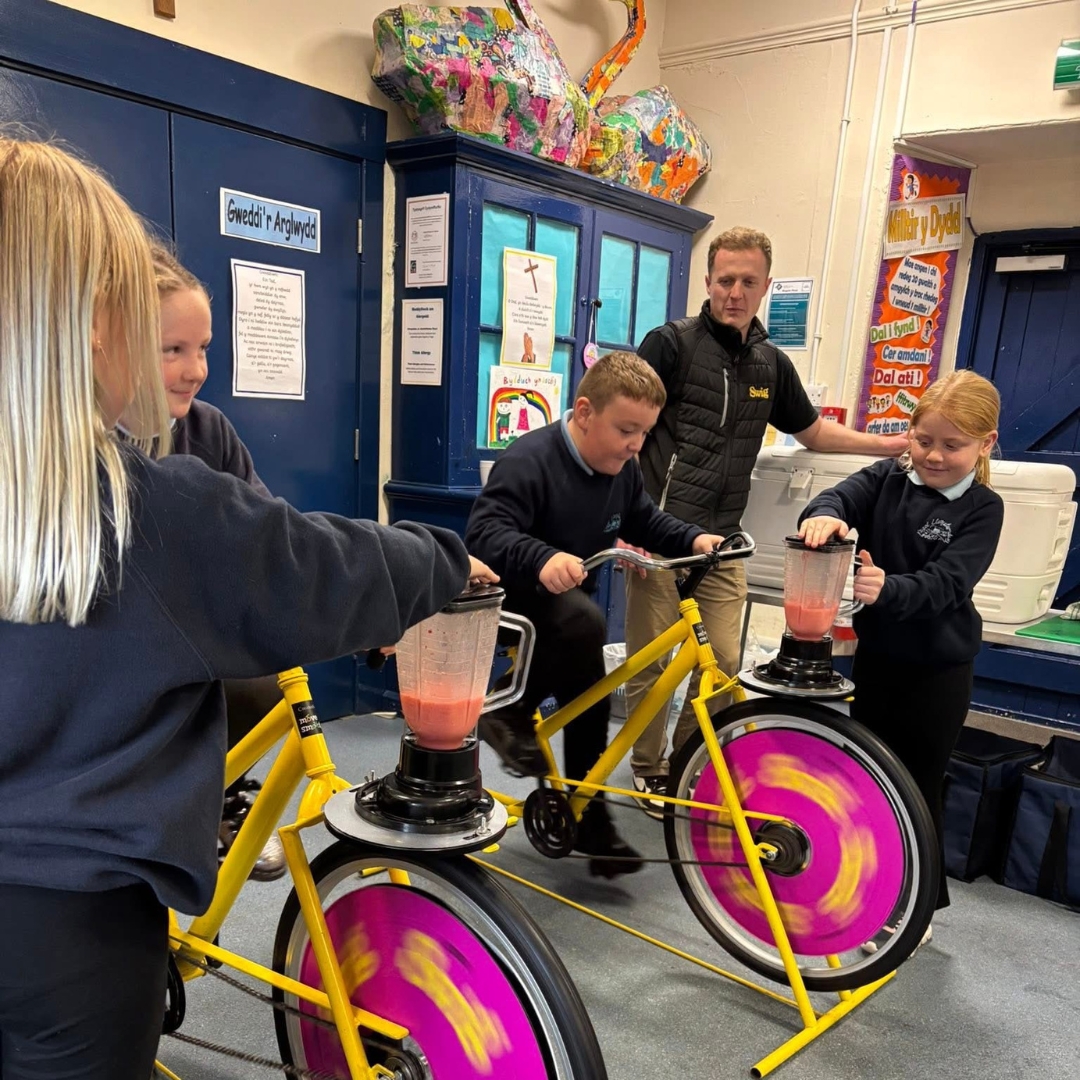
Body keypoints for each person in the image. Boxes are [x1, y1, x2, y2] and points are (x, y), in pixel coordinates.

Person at [0, 137, 495, 1077]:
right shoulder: (139, 510)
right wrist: (443, 561)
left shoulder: (180, 462)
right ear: (88, 324)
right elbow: (300, 565)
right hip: (72, 926)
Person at [625, 226, 910, 816]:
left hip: (723, 543)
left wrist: (888, 445)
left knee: (723, 666)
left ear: (766, 286)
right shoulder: (670, 345)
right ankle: (648, 771)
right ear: (708, 281)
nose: (735, 292)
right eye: (725, 280)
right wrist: (628, 523)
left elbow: (814, 431)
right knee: (652, 666)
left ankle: (689, 766)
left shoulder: (771, 365)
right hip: (660, 537)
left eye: (748, 282)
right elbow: (623, 431)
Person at [465, 352, 725, 877]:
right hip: (514, 604)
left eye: (645, 433)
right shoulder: (529, 460)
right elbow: (484, 534)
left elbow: (644, 520)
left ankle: (588, 815)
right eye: (627, 430)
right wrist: (541, 557)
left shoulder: (621, 471)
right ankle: (507, 711)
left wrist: (695, 538)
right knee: (584, 624)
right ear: (584, 412)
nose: (637, 445)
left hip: (569, 611)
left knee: (590, 702)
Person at [798, 369, 1004, 945]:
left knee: (916, 787)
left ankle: (916, 909)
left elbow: (947, 584)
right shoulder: (889, 476)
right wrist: (824, 514)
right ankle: (870, 887)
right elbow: (839, 496)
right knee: (868, 778)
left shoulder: (983, 509)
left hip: (938, 672)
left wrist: (889, 589)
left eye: (952, 445)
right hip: (878, 661)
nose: (934, 455)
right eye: (923, 439)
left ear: (985, 444)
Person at [132, 242, 282, 881]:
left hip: (197, 640)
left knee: (265, 687)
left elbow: (267, 527)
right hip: (131, 663)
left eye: (204, 349)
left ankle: (217, 794)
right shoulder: (88, 441)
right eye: (173, 349)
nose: (195, 370)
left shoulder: (209, 428)